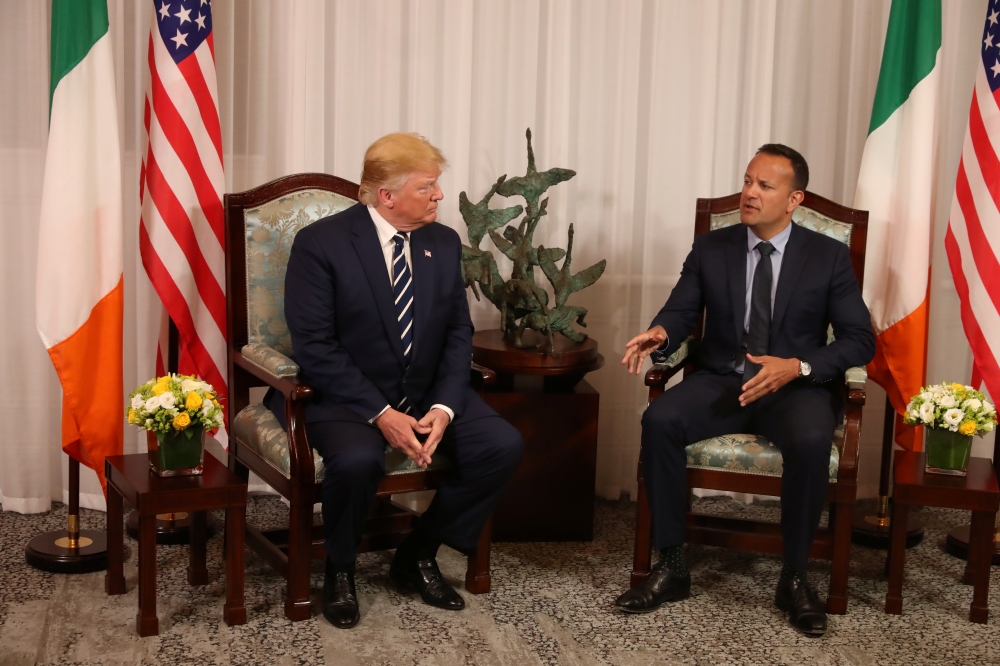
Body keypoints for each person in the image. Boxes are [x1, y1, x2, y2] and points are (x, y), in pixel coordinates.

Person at [615, 144, 875, 637]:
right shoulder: (714, 247)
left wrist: (797, 366)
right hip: (722, 379)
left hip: (794, 387)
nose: (749, 193)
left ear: (794, 198)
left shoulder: (828, 256)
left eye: (764, 186)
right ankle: (672, 565)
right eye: (747, 181)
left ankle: (794, 577)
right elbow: (681, 308)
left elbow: (860, 340)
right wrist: (661, 333)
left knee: (811, 439)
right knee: (660, 419)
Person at [271, 132, 524, 629]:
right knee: (358, 459)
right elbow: (316, 347)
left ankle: (418, 552)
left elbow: (457, 331)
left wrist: (446, 406)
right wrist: (382, 414)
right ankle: (340, 567)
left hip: (429, 388)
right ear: (386, 195)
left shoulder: (443, 241)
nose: (440, 196)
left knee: (502, 445)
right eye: (428, 186)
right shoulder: (322, 244)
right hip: (344, 395)